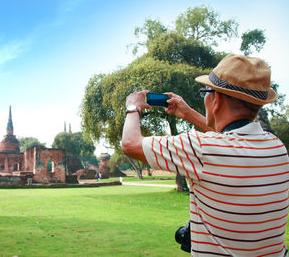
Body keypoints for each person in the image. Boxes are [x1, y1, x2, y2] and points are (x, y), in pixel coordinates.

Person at [121, 54, 289, 256]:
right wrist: (188, 113)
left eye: (205, 93)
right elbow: (229, 141)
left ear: (215, 99)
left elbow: (130, 144)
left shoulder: (200, 148)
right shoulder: (277, 148)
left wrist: (133, 107)